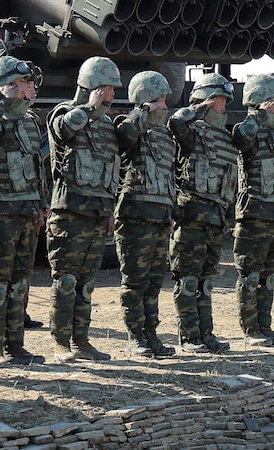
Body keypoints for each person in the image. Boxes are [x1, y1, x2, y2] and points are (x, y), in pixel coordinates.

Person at [0, 56, 45, 366]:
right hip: (0, 215)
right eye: (19, 85)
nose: (28, 89)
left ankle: (17, 347)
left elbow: (37, 166)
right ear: (3, 88)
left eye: (26, 84)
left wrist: (41, 205)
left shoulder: (29, 121)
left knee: (19, 285)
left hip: (28, 212)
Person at [46, 56, 122, 363]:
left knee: (85, 285)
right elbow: (65, 130)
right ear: (96, 88)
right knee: (65, 281)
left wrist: (109, 212)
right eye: (109, 90)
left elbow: (110, 171)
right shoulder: (66, 112)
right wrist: (89, 107)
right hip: (69, 216)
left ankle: (81, 341)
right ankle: (60, 343)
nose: (113, 97)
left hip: (96, 215)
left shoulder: (105, 125)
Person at [171, 73, 239, 353]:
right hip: (191, 218)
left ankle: (206, 334)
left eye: (224, 101)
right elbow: (175, 122)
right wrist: (197, 108)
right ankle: (189, 337)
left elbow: (232, 181)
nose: (224, 107)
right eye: (219, 101)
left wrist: (228, 218)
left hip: (215, 219)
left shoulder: (224, 138)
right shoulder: (192, 131)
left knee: (206, 282)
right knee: (187, 280)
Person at [113, 71, 177, 358]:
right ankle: (135, 337)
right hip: (135, 218)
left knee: (153, 283)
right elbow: (125, 136)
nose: (165, 106)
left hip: (160, 218)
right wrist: (140, 111)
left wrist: (170, 213)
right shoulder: (130, 127)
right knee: (135, 281)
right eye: (159, 100)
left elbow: (169, 177)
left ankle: (151, 335)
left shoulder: (164, 136)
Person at [230, 75, 274, 347]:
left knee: (268, 275)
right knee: (250, 275)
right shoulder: (248, 128)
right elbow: (241, 140)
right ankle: (250, 329)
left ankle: (265, 326)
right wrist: (257, 116)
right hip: (254, 213)